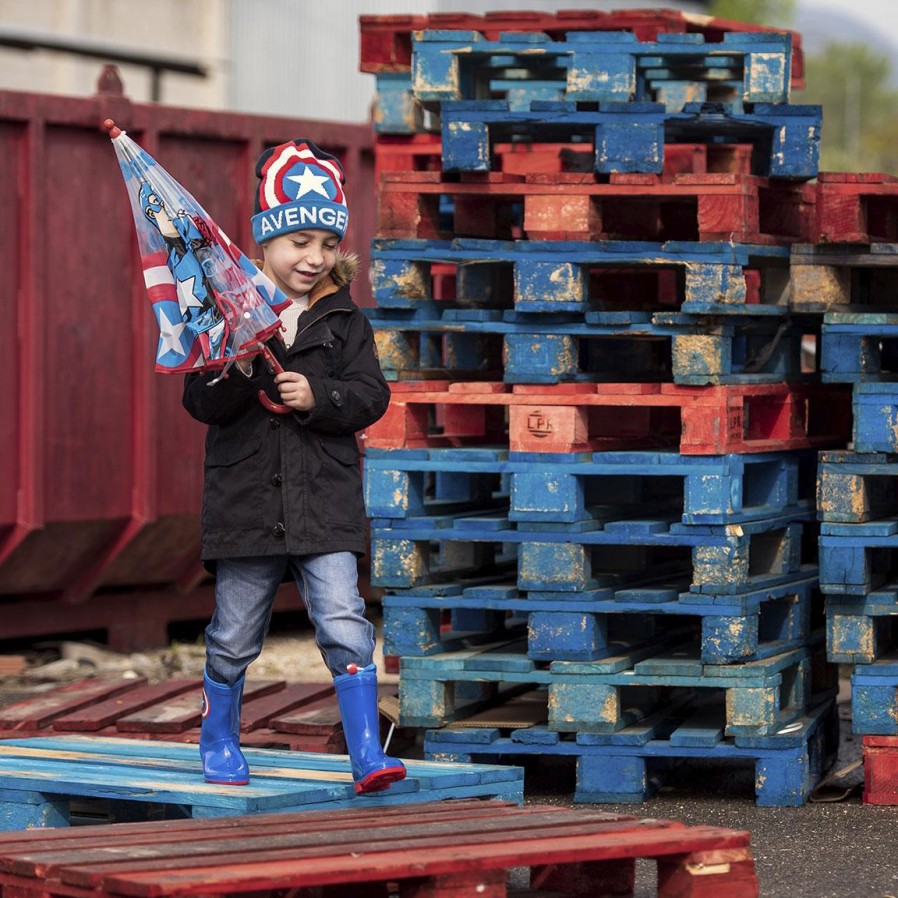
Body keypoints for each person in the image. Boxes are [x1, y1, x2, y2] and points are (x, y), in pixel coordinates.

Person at [182, 138, 405, 795]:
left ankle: (366, 751)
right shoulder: (228, 315)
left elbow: (370, 396)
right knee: (234, 633)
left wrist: (321, 396)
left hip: (324, 503)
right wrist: (243, 366)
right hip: (247, 502)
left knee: (344, 620)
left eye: (327, 245)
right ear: (264, 244)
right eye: (298, 242)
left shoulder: (342, 320)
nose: (313, 258)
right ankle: (219, 737)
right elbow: (200, 400)